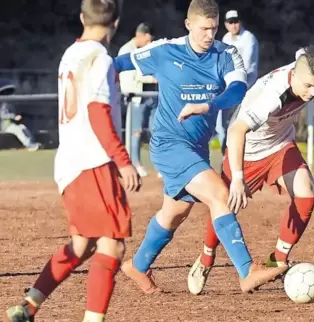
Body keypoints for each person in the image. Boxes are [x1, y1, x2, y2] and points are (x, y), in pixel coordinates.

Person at [113, 0, 288, 294]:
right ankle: (247, 271)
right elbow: (117, 64)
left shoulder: (226, 53)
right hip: (169, 144)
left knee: (176, 211)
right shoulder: (165, 51)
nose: (210, 34)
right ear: (188, 25)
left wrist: (207, 105)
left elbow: (237, 89)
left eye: (214, 28)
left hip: (197, 148)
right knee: (220, 194)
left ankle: (138, 265)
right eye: (204, 28)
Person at [5, 0, 142, 321]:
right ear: (117, 22)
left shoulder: (72, 53)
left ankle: (29, 305)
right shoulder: (101, 58)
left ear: (82, 18)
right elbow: (97, 110)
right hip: (92, 161)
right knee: (113, 247)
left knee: (82, 244)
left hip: (69, 163)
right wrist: (122, 160)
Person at [188, 45, 314, 295]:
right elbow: (235, 131)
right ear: (294, 75)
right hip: (247, 151)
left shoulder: (305, 67)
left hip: (280, 145)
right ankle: (206, 258)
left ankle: (277, 260)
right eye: (307, 86)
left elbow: (306, 55)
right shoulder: (273, 96)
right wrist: (238, 178)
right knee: (225, 206)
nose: (312, 93)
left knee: (307, 192)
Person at [215, 9, 259, 155]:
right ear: (226, 24)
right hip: (229, 86)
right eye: (230, 22)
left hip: (246, 88)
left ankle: (233, 153)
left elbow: (245, 66)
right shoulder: (226, 39)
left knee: (237, 122)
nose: (234, 25)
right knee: (220, 123)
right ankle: (225, 152)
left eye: (236, 22)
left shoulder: (249, 39)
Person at [118, 22, 157, 177]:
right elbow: (134, 76)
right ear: (139, 35)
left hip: (151, 96)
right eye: (147, 40)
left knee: (156, 130)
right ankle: (135, 162)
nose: (149, 44)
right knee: (136, 131)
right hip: (136, 97)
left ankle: (159, 164)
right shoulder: (126, 51)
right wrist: (153, 79)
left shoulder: (147, 50)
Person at [0, 80, 41, 151]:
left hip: (12, 124)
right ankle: (29, 145)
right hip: (6, 126)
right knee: (18, 130)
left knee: (23, 127)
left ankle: (32, 143)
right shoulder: (3, 104)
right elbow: (3, 115)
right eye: (7, 92)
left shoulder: (10, 103)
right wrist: (14, 117)